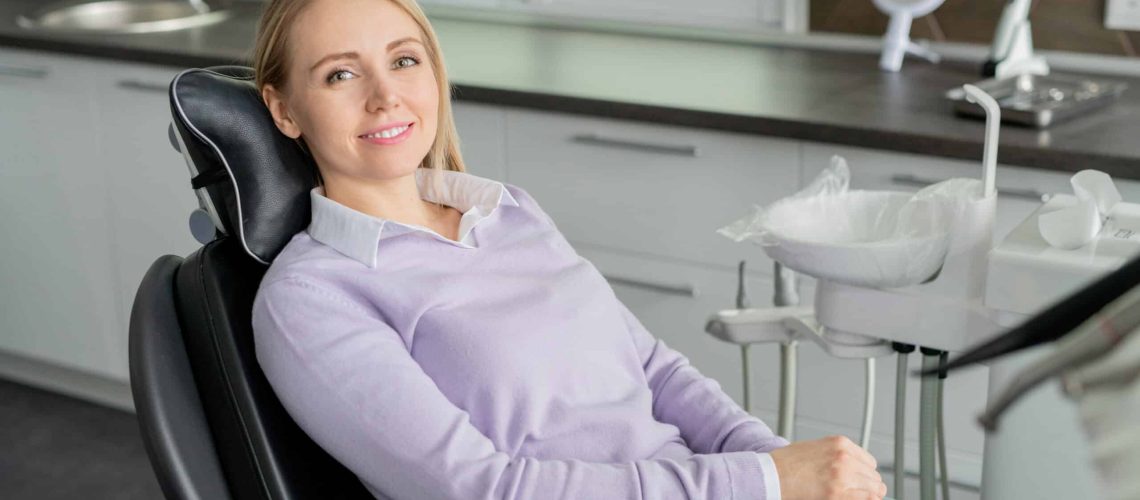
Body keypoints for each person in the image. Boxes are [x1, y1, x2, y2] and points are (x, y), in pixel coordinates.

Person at [250, 0, 889, 498]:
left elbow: (654, 371)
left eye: (405, 60)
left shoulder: (506, 210)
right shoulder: (312, 298)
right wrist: (764, 483)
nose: (385, 95)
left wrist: (773, 461)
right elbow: (478, 489)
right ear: (284, 110)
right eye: (340, 73)